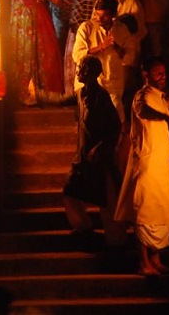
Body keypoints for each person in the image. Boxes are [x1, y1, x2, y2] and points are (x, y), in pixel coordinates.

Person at [115, 57, 169, 276]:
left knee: (162, 212)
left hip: (161, 167)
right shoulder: (141, 96)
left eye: (164, 73)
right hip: (145, 165)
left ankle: (157, 259)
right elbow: (144, 111)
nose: (162, 77)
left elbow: (164, 137)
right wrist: (165, 116)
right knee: (144, 214)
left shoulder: (162, 100)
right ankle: (144, 262)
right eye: (157, 73)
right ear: (147, 75)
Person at [62, 56, 126, 247]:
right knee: (70, 192)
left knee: (107, 202)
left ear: (91, 73)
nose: (78, 72)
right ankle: (84, 229)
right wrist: (38, 94)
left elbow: (115, 127)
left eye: (81, 69)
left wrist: (99, 149)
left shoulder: (102, 97)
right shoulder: (82, 94)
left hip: (100, 160)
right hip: (83, 158)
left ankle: (116, 242)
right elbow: (61, 99)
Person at [4, 0, 64, 105]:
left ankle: (40, 91)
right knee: (25, 51)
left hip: (38, 11)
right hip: (22, 14)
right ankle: (23, 92)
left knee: (43, 51)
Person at [72, 0, 137, 122]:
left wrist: (117, 48)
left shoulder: (122, 30)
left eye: (104, 15)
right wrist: (101, 47)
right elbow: (77, 55)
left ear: (113, 15)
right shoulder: (86, 28)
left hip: (112, 84)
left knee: (118, 119)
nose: (99, 19)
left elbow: (130, 58)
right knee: (89, 120)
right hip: (88, 85)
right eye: (97, 14)